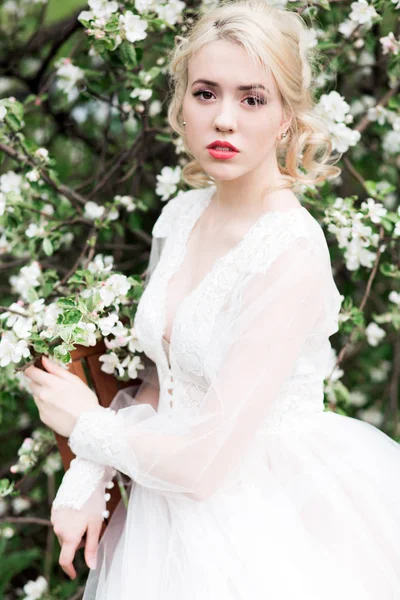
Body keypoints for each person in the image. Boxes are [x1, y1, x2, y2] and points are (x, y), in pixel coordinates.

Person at [24, 0, 400, 598]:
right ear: (182, 105)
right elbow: (159, 381)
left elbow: (205, 465)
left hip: (254, 518)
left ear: (286, 116)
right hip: (158, 502)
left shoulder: (290, 251)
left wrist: (88, 426)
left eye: (252, 98)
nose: (224, 119)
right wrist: (87, 478)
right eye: (206, 93)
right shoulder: (181, 214)